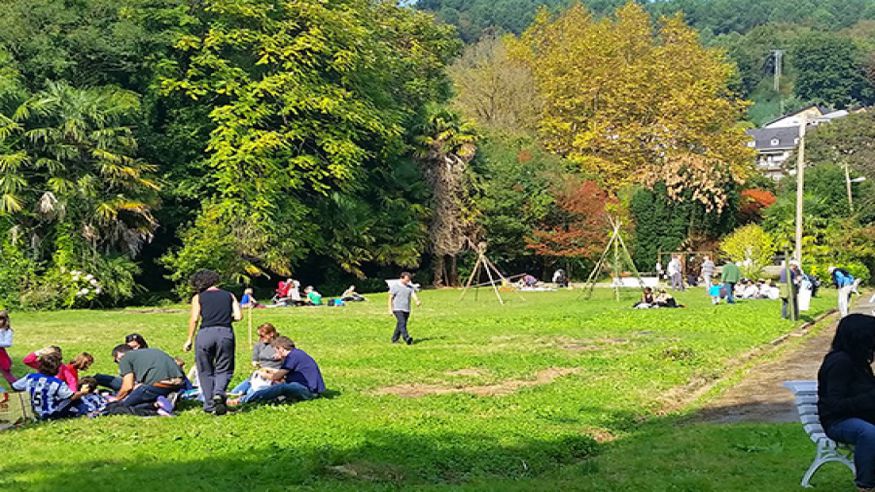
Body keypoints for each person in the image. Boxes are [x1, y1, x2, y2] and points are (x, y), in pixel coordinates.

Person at [817, 314, 875, 492]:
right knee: (869, 433)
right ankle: (866, 485)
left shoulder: (858, 361)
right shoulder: (839, 362)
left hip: (861, 416)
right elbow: (834, 405)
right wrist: (870, 398)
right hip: (839, 422)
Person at [183, 269, 242, 415]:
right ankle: (219, 392)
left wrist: (189, 339)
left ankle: (209, 405)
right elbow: (239, 316)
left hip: (205, 334)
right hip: (225, 332)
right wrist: (227, 319)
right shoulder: (229, 295)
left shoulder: (198, 297)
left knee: (205, 369)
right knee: (224, 367)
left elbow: (194, 319)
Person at [230, 336, 325, 405]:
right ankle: (237, 395)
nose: (275, 353)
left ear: (281, 349)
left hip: (309, 391)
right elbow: (282, 373)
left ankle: (241, 400)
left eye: (276, 350)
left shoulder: (292, 357)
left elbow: (275, 377)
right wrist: (268, 369)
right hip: (304, 387)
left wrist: (261, 373)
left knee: (282, 387)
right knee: (280, 385)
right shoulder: (296, 354)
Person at [106, 344, 184, 417]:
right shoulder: (152, 351)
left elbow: (128, 386)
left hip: (157, 386)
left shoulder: (125, 358)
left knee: (121, 407)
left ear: (119, 356)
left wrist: (117, 399)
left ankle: (158, 408)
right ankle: (166, 398)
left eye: (116, 361)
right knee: (140, 396)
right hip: (178, 384)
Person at [12, 352, 89, 420]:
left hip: (31, 413)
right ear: (57, 369)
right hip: (49, 414)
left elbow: (15, 387)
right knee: (74, 398)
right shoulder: (57, 383)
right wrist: (83, 392)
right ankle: (86, 412)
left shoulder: (30, 377)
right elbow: (72, 397)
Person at [229, 323, 282, 396]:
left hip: (272, 376)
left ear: (271, 334)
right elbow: (255, 359)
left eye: (263, 336)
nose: (261, 338)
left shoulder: (280, 345)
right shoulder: (259, 344)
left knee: (252, 393)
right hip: (259, 374)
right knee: (234, 392)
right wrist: (256, 363)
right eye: (259, 336)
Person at [388, 272, 421, 345]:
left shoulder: (409, 287)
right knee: (402, 323)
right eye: (406, 280)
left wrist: (417, 301)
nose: (408, 281)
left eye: (408, 280)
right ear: (401, 278)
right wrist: (390, 309)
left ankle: (394, 339)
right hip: (397, 309)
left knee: (400, 324)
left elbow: (413, 294)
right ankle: (407, 338)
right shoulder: (395, 287)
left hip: (407, 309)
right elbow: (390, 298)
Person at [0, 311, 16, 384]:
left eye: (1, 319)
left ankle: (16, 386)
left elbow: (8, 343)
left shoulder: (7, 331)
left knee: (7, 373)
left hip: (1, 354)